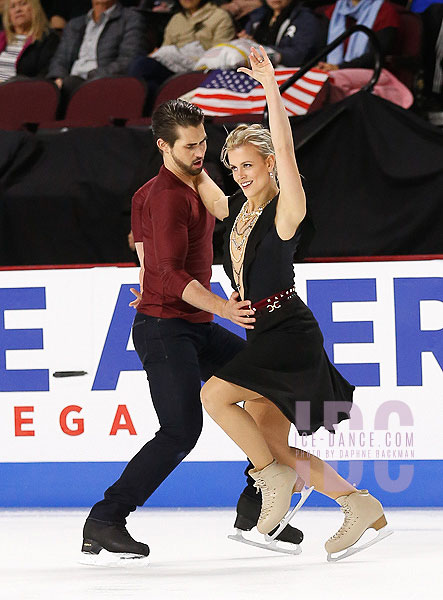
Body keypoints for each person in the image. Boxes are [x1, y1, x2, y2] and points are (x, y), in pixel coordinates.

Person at [81, 97, 303, 561]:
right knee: (181, 430)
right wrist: (223, 306)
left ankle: (256, 505)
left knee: (272, 386)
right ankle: (105, 519)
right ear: (164, 146)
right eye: (190, 146)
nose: (201, 152)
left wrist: (199, 172)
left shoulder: (189, 180)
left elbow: (220, 214)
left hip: (194, 324)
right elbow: (167, 275)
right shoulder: (163, 196)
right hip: (165, 329)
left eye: (204, 142)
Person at [197, 46, 390, 560]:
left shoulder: (287, 209)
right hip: (261, 332)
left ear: (268, 164)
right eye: (234, 166)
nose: (241, 173)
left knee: (213, 397)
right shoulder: (238, 210)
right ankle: (359, 504)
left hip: (288, 333)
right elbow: (203, 190)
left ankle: (272, 481)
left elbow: (286, 150)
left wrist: (271, 91)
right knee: (276, 442)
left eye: (249, 164)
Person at [128, 0, 235, 105]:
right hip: (173, 69)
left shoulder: (220, 16)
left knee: (143, 66)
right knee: (144, 70)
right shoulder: (176, 19)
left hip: (202, 71)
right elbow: (165, 51)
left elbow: (221, 54)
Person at [46, 0, 146, 109]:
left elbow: (128, 59)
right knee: (35, 88)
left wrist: (93, 76)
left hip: (103, 83)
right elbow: (59, 59)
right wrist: (58, 77)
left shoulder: (130, 19)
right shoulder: (75, 24)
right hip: (68, 83)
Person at [317, 0, 399, 73]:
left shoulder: (385, 12)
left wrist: (340, 68)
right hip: (332, 69)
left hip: (368, 73)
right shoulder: (335, 10)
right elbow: (321, 45)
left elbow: (375, 55)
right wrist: (323, 65)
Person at [239, 0, 324, 67]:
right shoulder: (258, 17)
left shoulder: (306, 19)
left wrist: (259, 48)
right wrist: (245, 40)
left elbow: (299, 56)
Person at [0, 0, 59, 82]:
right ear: (8, 15)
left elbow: (44, 74)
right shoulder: (2, 37)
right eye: (12, 6)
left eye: (23, 4)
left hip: (21, 88)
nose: (18, 10)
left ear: (35, 8)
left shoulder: (48, 39)